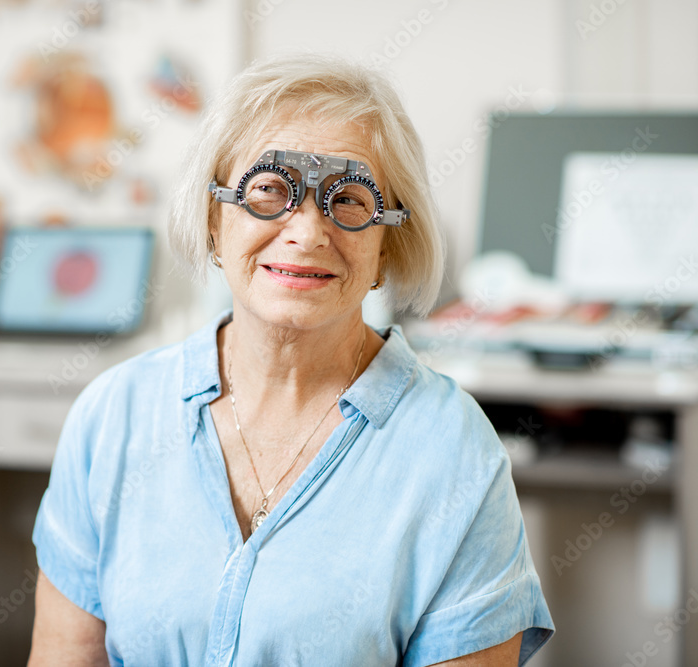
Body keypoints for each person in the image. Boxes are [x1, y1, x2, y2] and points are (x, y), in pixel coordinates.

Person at [27, 53, 554, 666]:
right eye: (270, 190)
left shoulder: (454, 453)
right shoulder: (113, 417)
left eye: (349, 199)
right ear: (214, 222)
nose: (306, 233)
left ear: (387, 245)